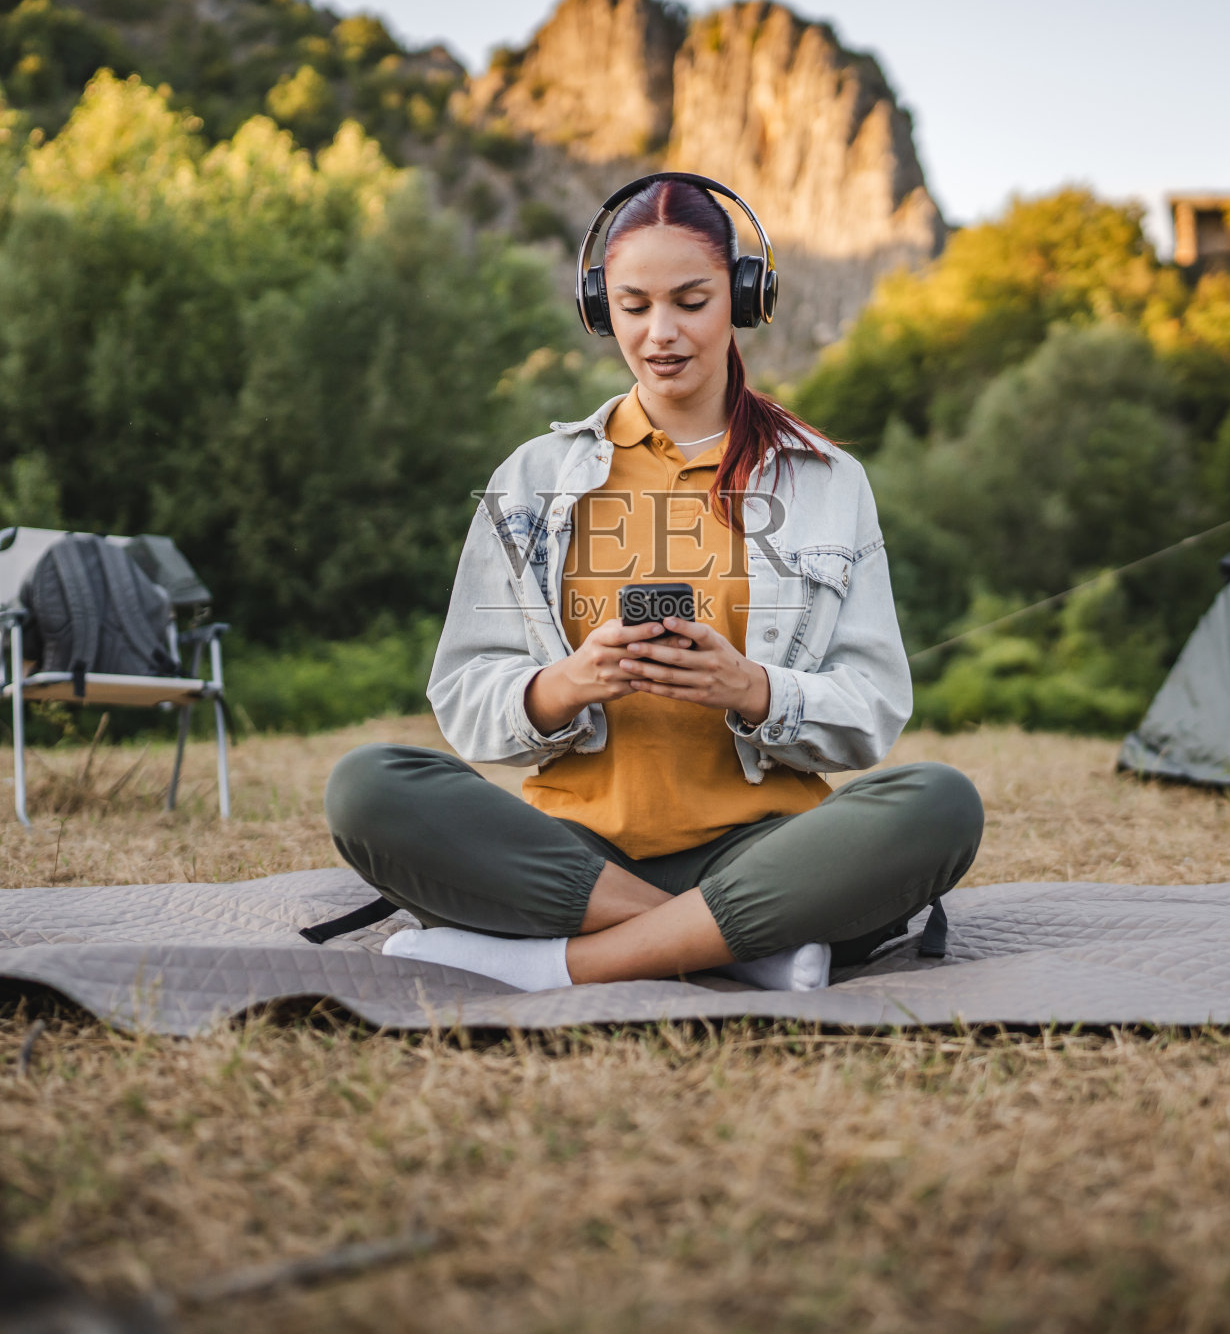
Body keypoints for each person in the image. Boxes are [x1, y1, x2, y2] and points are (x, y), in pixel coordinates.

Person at [324, 175, 983, 993]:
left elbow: (873, 707)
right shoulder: (532, 479)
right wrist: (566, 685)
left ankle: (566, 963)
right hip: (576, 854)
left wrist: (751, 689)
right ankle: (739, 944)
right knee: (369, 787)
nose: (661, 333)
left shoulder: (828, 481)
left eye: (691, 301)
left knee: (940, 803)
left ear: (743, 299)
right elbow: (464, 694)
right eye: (634, 306)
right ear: (602, 310)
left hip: (769, 852)